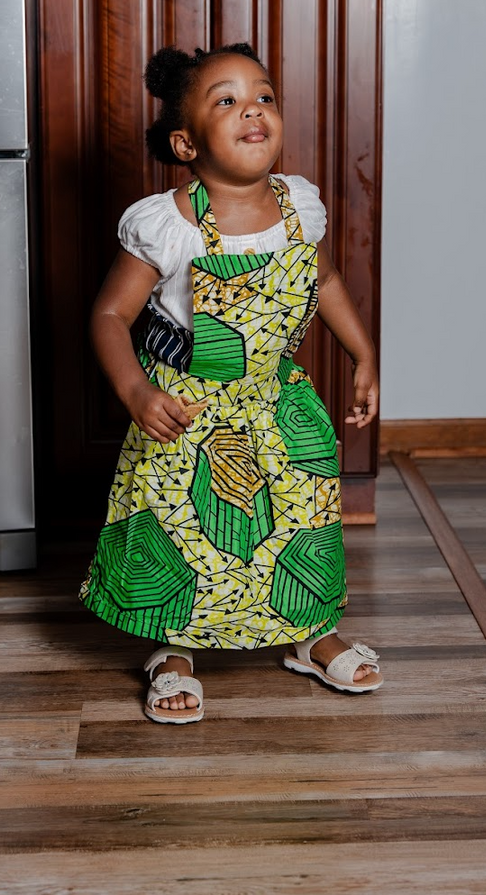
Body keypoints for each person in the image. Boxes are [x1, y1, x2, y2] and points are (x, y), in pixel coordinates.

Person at [80, 42, 382, 724]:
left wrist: (363, 353)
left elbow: (326, 281)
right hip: (188, 404)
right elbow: (108, 313)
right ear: (186, 141)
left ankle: (308, 634)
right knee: (184, 527)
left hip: (275, 398)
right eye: (227, 99)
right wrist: (136, 391)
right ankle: (174, 649)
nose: (253, 108)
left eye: (264, 96)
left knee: (301, 515)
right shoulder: (169, 225)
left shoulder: (299, 206)